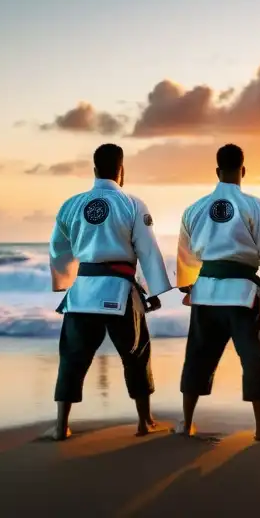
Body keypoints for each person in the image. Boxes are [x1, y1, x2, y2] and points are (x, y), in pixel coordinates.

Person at [49, 143, 172, 441]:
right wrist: (155, 289)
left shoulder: (71, 204)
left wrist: (64, 282)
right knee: (136, 354)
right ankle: (145, 421)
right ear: (122, 170)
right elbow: (147, 249)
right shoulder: (132, 204)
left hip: (81, 293)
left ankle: (61, 426)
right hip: (119, 291)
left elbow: (58, 249)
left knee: (72, 358)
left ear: (94, 170)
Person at [176, 143, 260, 441]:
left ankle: (186, 422)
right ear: (243, 170)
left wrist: (188, 285)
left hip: (206, 294)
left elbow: (186, 257)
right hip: (241, 295)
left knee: (198, 356)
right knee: (254, 357)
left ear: (217, 171)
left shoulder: (194, 209)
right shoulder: (254, 206)